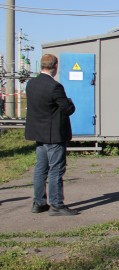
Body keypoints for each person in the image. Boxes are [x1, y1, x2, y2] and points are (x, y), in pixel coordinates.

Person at [24, 53, 77, 216]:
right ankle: (56, 205)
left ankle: (39, 202)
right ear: (55, 66)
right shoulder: (55, 86)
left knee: (40, 169)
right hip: (54, 135)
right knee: (56, 170)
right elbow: (67, 109)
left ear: (41, 66)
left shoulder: (31, 84)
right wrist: (69, 101)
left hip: (39, 134)